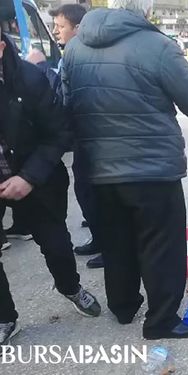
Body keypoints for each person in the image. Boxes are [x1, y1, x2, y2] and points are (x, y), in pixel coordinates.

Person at [62, 0, 188, 339]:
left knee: (117, 240)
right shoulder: (156, 45)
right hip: (152, 168)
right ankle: (161, 321)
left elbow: (64, 101)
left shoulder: (75, 47)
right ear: (143, 12)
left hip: (98, 167)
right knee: (161, 245)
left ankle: (123, 308)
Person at [0, 33, 102, 345]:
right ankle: (5, 317)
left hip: (35, 179)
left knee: (57, 246)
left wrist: (28, 177)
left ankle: (70, 287)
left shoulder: (30, 80)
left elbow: (59, 134)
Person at [26, 4, 102, 269]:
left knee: (92, 190)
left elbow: (59, 96)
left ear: (77, 29)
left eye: (60, 27)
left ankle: (106, 242)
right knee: (85, 188)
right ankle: (100, 237)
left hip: (89, 135)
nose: (56, 32)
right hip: (83, 134)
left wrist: (38, 69)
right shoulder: (71, 52)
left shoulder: (78, 54)